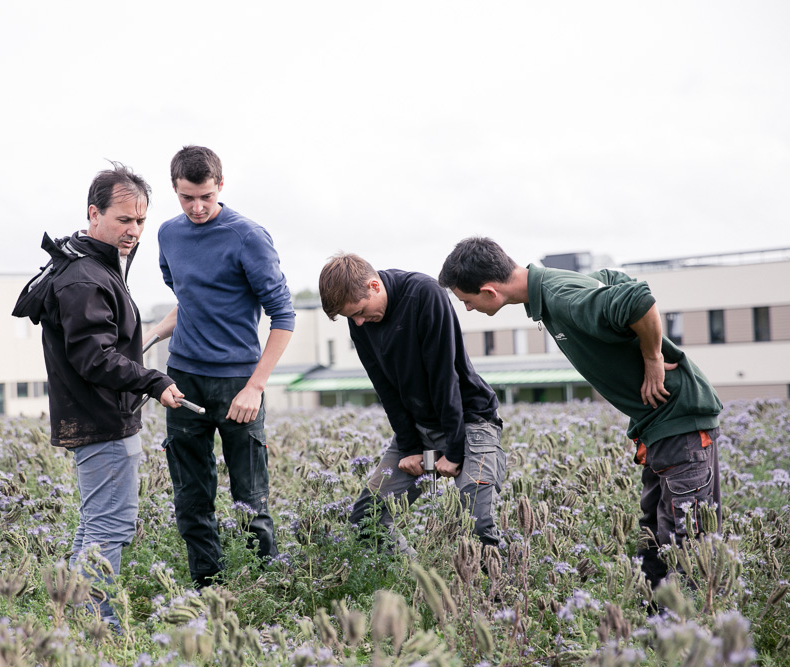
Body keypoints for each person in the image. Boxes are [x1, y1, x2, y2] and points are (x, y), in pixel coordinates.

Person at [438, 236, 723, 591]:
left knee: (688, 544)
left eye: (466, 301)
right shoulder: (556, 289)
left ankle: (697, 631)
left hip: (680, 422)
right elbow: (616, 280)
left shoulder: (561, 296)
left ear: (489, 291)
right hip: (657, 427)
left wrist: (652, 360)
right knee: (654, 538)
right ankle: (658, 630)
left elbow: (639, 299)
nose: (467, 309)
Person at [14, 162, 183, 623]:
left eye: (141, 221)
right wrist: (155, 380)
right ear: (94, 214)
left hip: (100, 419)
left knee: (94, 527)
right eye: (124, 220)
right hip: (102, 422)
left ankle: (68, 624)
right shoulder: (85, 276)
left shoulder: (89, 266)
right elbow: (95, 358)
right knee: (108, 529)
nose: (134, 231)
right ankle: (97, 631)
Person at [145, 146, 295, 588]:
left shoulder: (248, 236)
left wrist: (256, 387)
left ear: (221, 186)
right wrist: (146, 341)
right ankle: (206, 592)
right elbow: (187, 303)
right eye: (187, 198)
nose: (197, 207)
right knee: (191, 498)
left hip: (237, 383)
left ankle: (265, 592)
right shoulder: (168, 235)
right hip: (183, 380)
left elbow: (283, 316)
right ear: (175, 190)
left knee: (250, 499)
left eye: (206, 197)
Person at [318, 253, 506, 554]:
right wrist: (410, 449)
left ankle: (496, 598)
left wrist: (454, 452)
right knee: (367, 519)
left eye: (360, 311)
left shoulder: (424, 294)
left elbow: (444, 378)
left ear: (374, 286)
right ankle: (415, 584)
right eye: (351, 317)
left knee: (475, 524)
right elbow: (386, 390)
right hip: (422, 432)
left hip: (470, 423)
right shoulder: (361, 323)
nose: (359, 321)